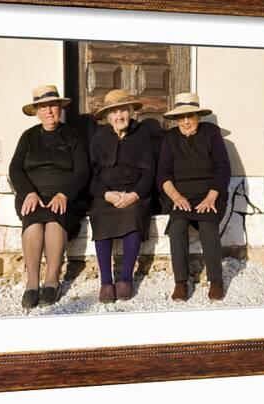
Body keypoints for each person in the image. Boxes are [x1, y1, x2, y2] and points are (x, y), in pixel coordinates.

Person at [9, 85, 90, 309]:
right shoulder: (28, 137)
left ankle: (52, 281)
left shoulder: (73, 135)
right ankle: (32, 283)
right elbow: (15, 168)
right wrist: (28, 193)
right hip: (33, 196)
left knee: (55, 221)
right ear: (37, 111)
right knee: (34, 223)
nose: (49, 111)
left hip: (66, 197)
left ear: (60, 108)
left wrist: (65, 194)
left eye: (53, 105)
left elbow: (83, 170)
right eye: (43, 107)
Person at [156, 92, 231, 301]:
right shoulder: (170, 138)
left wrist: (211, 197)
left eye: (191, 116)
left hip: (210, 194)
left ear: (198, 116)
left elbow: (223, 168)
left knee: (208, 226)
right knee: (178, 226)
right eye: (182, 117)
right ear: (176, 119)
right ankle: (181, 282)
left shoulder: (211, 133)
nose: (186, 121)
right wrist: (176, 197)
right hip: (181, 196)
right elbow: (162, 173)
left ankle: (216, 280)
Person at [89, 89, 155, 303]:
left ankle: (126, 278)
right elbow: (91, 177)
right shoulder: (99, 139)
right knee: (99, 213)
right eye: (114, 113)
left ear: (130, 113)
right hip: (107, 195)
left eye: (123, 111)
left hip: (135, 193)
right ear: (108, 117)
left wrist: (134, 195)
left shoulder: (142, 135)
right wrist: (107, 194)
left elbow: (150, 172)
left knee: (134, 213)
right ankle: (106, 282)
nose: (119, 116)